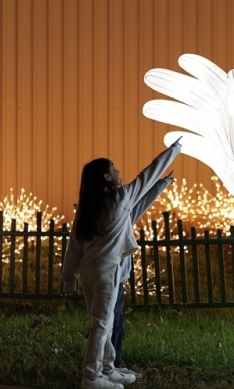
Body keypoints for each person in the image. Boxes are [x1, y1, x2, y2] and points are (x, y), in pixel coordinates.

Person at [62, 141, 181, 389]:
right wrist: (174, 150)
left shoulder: (88, 208)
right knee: (101, 323)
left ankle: (107, 368)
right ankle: (91, 377)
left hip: (88, 270)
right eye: (114, 168)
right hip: (107, 270)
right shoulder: (121, 197)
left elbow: (75, 244)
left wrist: (69, 278)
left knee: (99, 321)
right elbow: (148, 175)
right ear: (107, 177)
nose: (118, 171)